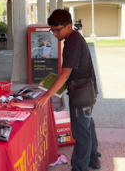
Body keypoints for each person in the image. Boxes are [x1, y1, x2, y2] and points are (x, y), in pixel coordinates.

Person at [35, 9, 101, 171]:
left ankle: (79, 168)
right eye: (52, 30)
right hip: (87, 90)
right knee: (87, 126)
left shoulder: (72, 43)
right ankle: (93, 159)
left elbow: (65, 74)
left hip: (81, 94)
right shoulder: (76, 38)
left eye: (57, 30)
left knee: (81, 132)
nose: (55, 33)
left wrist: (47, 95)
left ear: (68, 26)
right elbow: (69, 72)